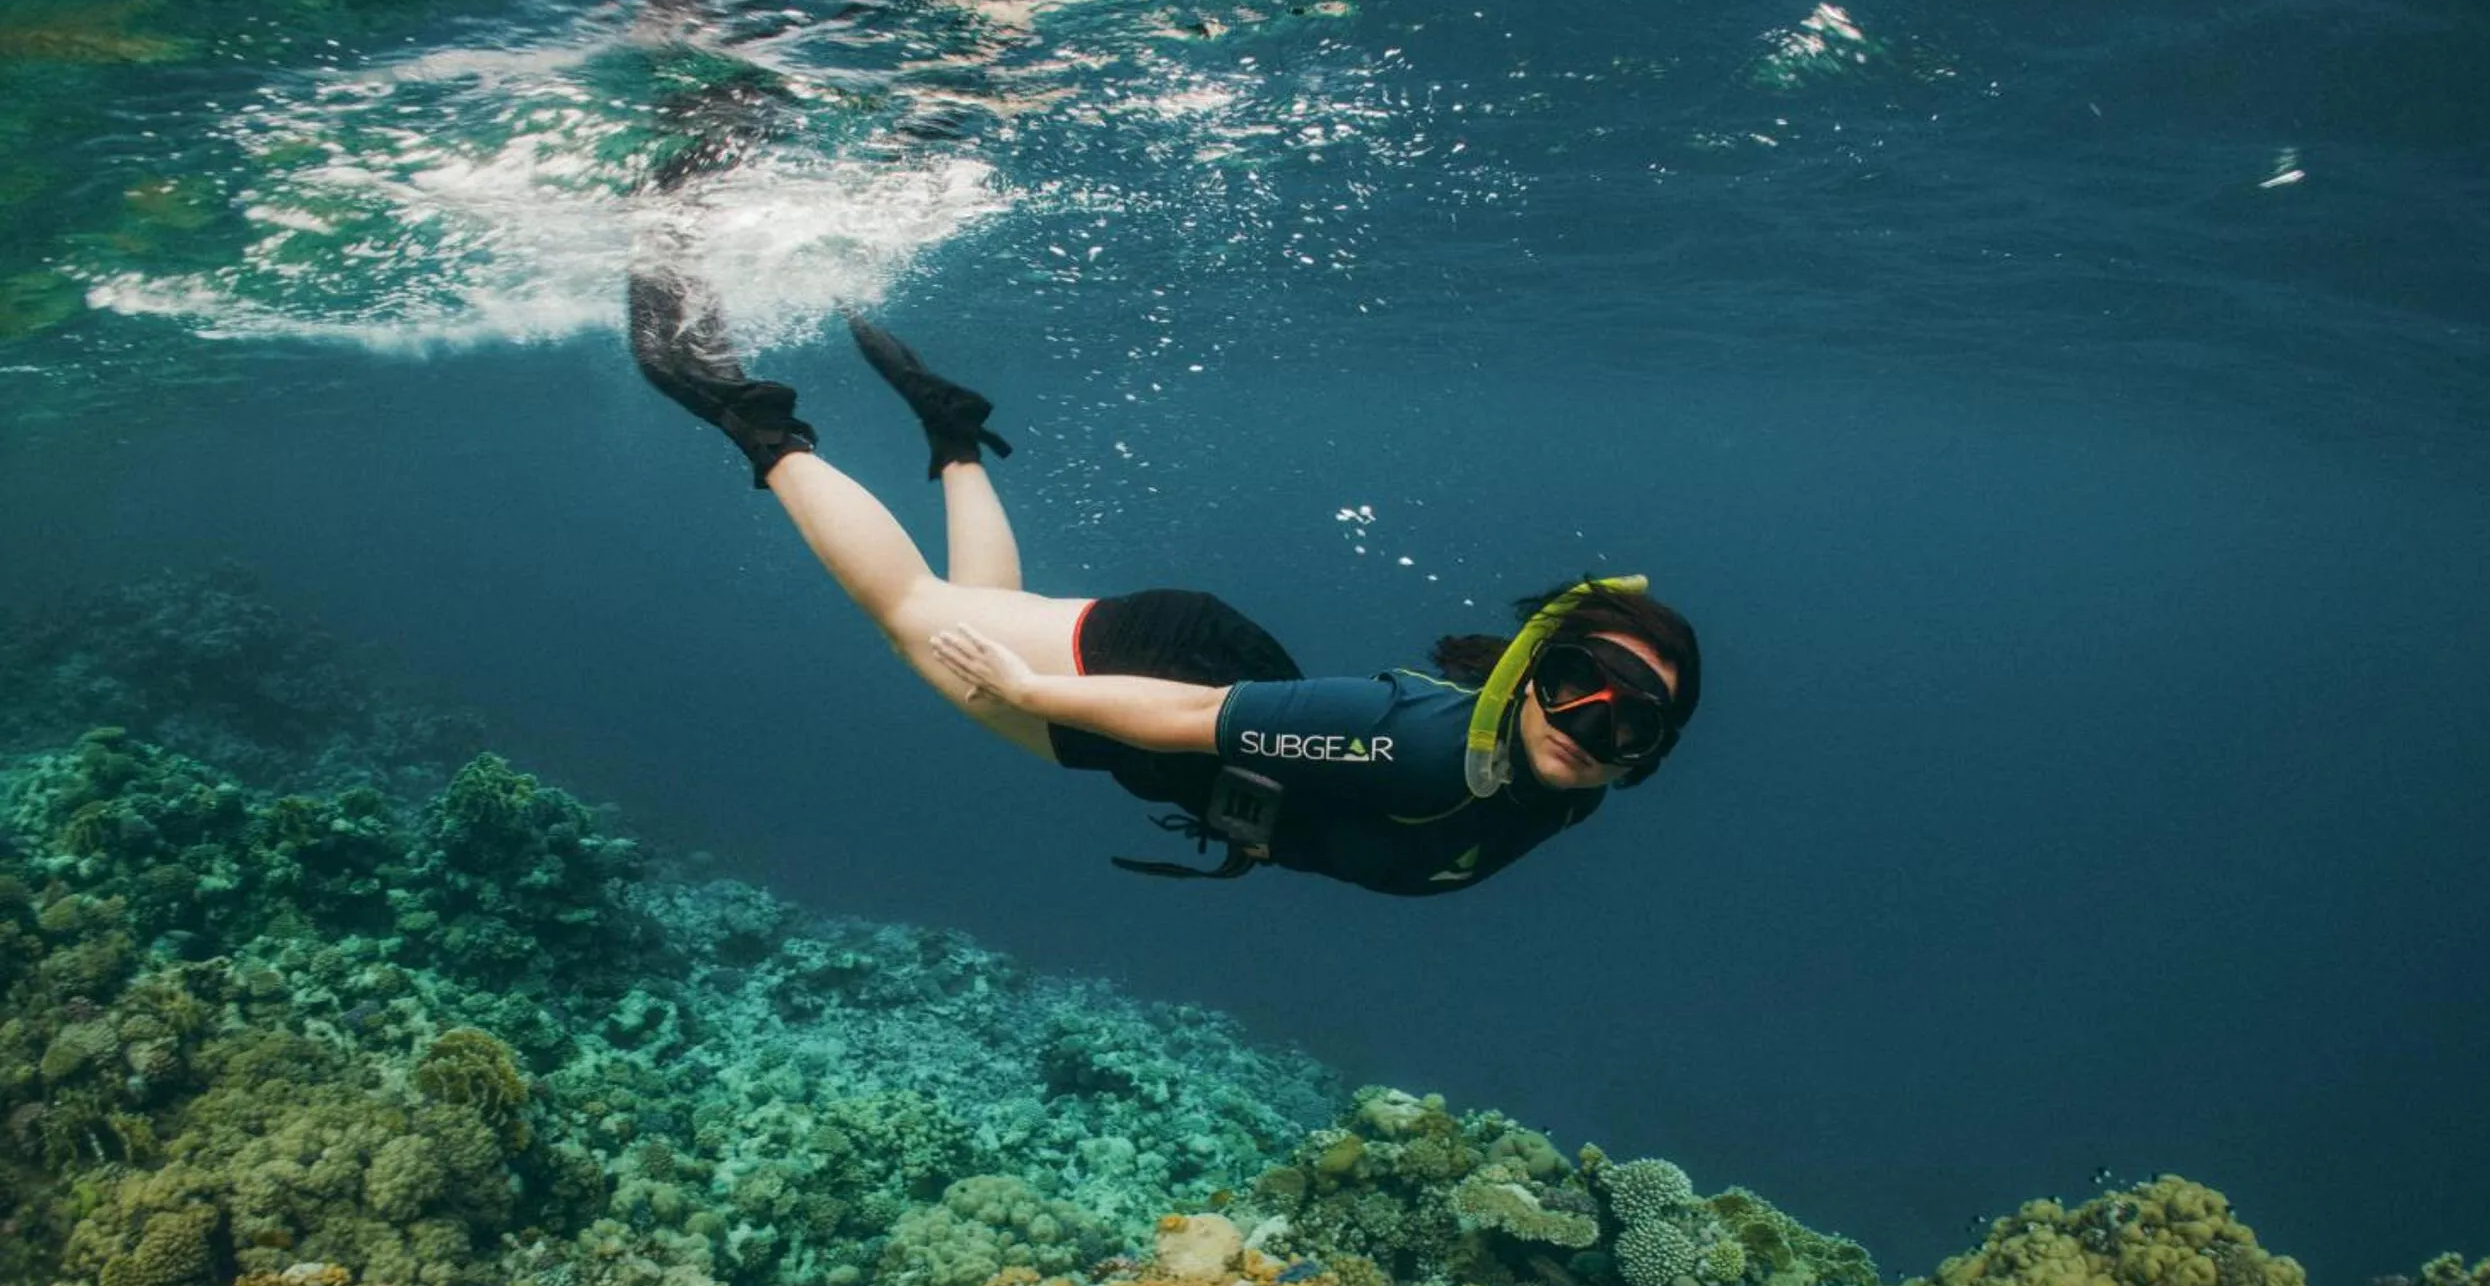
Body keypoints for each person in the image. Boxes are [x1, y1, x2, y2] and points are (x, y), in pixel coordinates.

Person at [630, 293, 1701, 894]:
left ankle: (954, 434)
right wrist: (1032, 689)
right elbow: (1196, 716)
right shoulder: (1415, 737)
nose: (1591, 727)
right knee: (915, 614)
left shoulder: (1564, 786)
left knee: (968, 613)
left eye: (1630, 723)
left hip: (1185, 731)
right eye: (1574, 685)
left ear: (1651, 755)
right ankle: (744, 412)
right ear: (1528, 676)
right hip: (1171, 683)